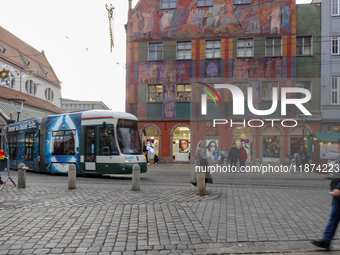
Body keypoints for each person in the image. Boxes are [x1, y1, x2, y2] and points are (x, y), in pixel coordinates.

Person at [312, 138, 340, 250]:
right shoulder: (339, 157)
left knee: (334, 217)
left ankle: (326, 240)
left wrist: (338, 188)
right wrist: (333, 188)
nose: (338, 148)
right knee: (334, 217)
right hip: (337, 195)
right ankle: (326, 240)